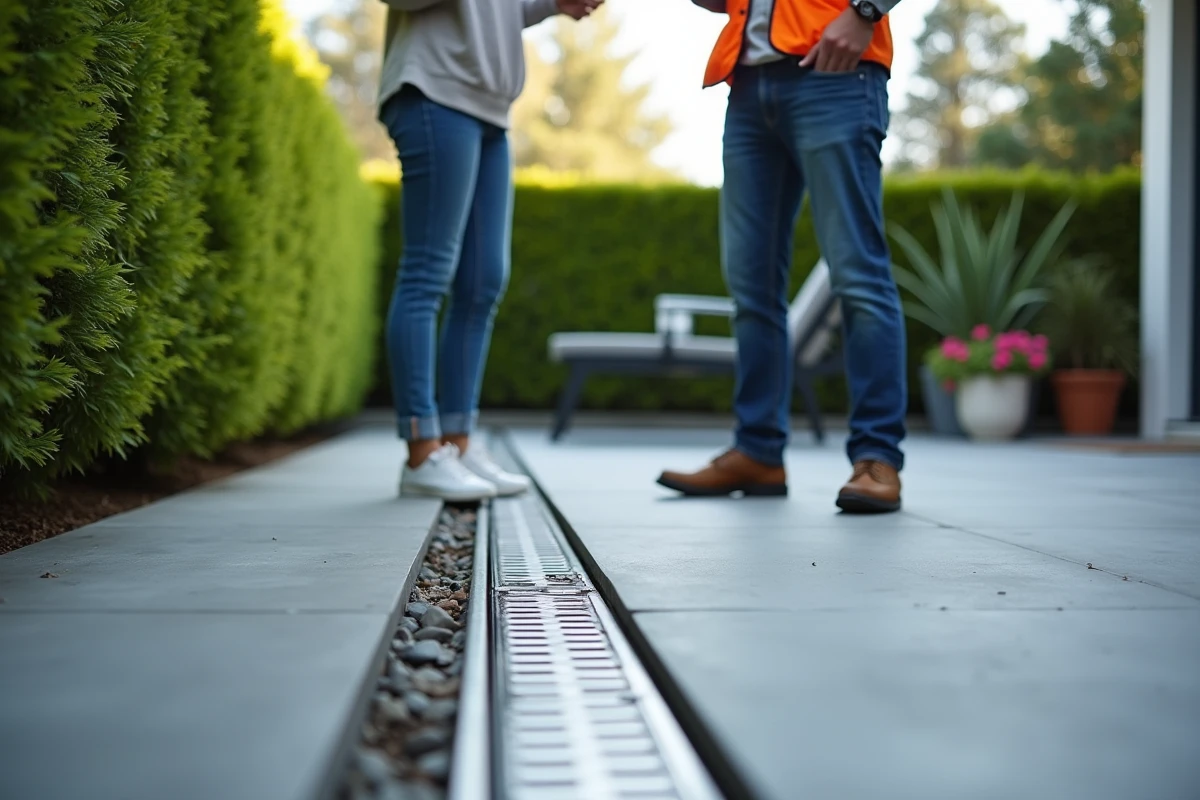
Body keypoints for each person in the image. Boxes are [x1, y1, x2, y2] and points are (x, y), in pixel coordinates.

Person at [658, 0, 908, 513]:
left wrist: (865, 11)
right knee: (750, 288)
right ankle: (758, 451)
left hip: (837, 73)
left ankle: (877, 457)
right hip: (748, 84)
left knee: (858, 276)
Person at [378, 0, 601, 501]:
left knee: (483, 281)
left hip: (490, 110)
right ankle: (421, 450)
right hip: (434, 88)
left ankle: (457, 442)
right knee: (427, 272)